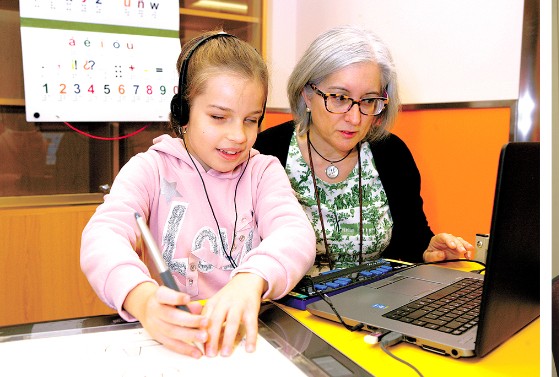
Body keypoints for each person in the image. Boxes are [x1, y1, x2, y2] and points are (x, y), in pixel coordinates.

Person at [81, 31, 316, 359]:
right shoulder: (150, 169)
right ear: (183, 111)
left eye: (251, 120)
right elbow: (102, 237)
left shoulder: (263, 171)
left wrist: (251, 279)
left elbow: (295, 232)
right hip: (177, 342)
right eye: (218, 117)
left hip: (249, 341)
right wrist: (142, 299)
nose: (238, 136)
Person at [252, 25, 474, 270]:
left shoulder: (392, 153)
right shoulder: (265, 151)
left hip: (376, 304)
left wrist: (428, 249)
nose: (355, 119)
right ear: (307, 93)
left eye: (368, 100)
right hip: (291, 306)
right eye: (339, 98)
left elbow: (412, 239)